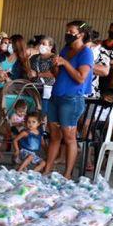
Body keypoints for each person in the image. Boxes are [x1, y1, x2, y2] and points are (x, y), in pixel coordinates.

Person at [45, 20, 94, 179]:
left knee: (69, 137)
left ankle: (67, 174)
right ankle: (47, 170)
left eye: (72, 32)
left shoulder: (86, 53)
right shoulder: (66, 49)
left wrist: (65, 63)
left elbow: (80, 78)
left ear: (82, 34)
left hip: (72, 99)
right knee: (54, 136)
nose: (68, 34)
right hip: (56, 96)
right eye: (67, 31)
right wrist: (55, 66)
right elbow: (59, 75)